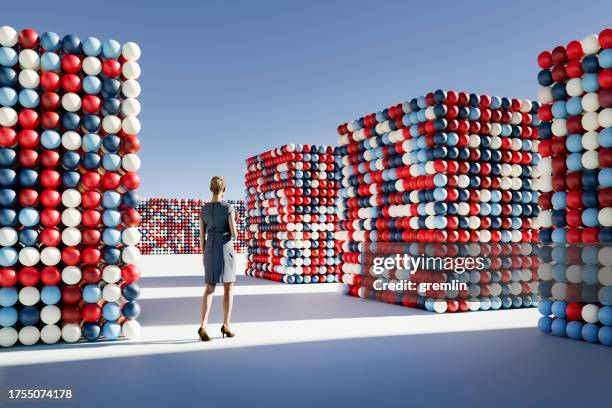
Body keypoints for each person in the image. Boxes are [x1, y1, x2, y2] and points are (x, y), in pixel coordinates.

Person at [198, 176, 237, 341]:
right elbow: (234, 233)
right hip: (225, 248)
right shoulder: (229, 208)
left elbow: (201, 236)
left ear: (210, 189)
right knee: (228, 288)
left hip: (209, 249)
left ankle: (203, 325)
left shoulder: (204, 210)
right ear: (224, 190)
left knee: (209, 288)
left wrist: (204, 253)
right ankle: (226, 325)